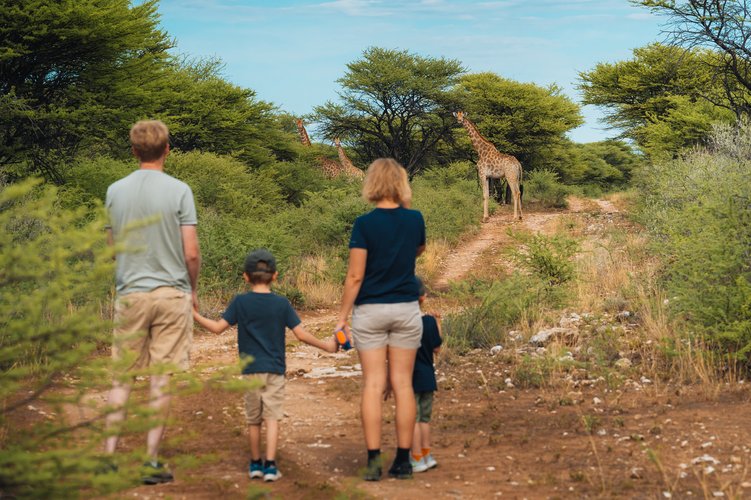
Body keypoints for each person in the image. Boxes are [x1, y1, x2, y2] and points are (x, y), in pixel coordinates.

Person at [103, 119, 201, 484]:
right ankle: (150, 462)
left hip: (130, 294)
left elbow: (113, 249)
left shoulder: (115, 190)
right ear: (167, 150)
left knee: (122, 378)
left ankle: (109, 459)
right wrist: (191, 290)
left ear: (134, 150)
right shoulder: (179, 190)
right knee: (161, 379)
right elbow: (190, 252)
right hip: (171, 293)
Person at [192, 249, 338, 482]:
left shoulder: (240, 302)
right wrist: (327, 346)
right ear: (275, 276)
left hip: (250, 371)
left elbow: (218, 328)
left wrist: (194, 314)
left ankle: (255, 464)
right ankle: (270, 465)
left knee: (253, 419)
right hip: (275, 370)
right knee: (272, 417)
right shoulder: (281, 304)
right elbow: (301, 335)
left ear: (246, 277)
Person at [334, 158, 426, 481]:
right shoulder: (415, 220)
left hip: (370, 312)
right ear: (401, 184)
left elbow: (355, 276)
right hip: (405, 309)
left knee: (373, 384)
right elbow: (416, 251)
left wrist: (342, 318)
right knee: (402, 384)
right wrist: (408, 204)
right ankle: (403, 462)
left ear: (372, 183)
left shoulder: (364, 224)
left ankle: (373, 461)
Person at [409, 277, 442, 473]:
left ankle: (416, 458)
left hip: (410, 377)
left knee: (412, 419)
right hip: (428, 376)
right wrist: (438, 322)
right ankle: (427, 455)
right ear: (424, 297)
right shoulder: (429, 321)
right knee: (424, 420)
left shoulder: (403, 323)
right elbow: (436, 347)